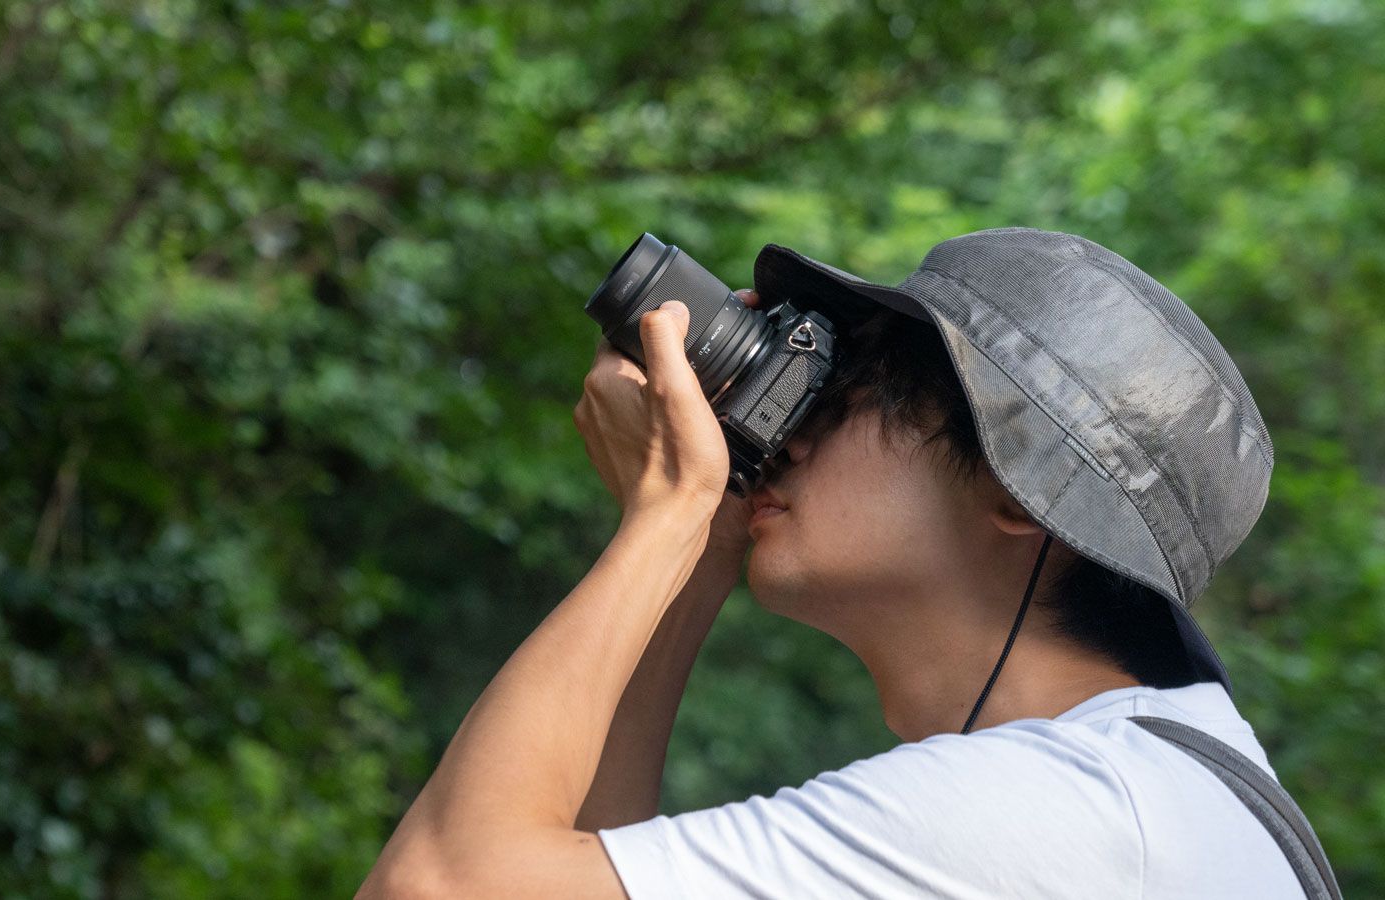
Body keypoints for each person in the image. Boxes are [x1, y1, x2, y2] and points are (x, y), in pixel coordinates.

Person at [357, 228, 1337, 898]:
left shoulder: (1071, 813)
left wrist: (665, 514)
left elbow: (437, 887)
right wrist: (699, 543)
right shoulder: (1148, 792)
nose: (790, 434)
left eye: (847, 393)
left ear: (1017, 490)